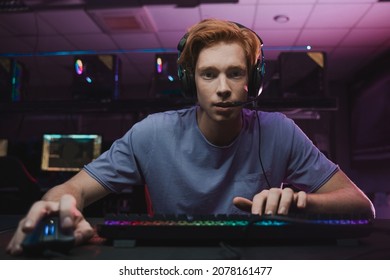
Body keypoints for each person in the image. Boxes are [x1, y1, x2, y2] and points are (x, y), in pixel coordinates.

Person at [7, 18, 375, 255]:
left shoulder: (279, 131)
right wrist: (60, 207)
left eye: (234, 73)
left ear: (253, 83)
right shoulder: (152, 133)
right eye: (208, 74)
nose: (223, 89)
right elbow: (72, 191)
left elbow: (361, 205)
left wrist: (300, 202)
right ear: (189, 82)